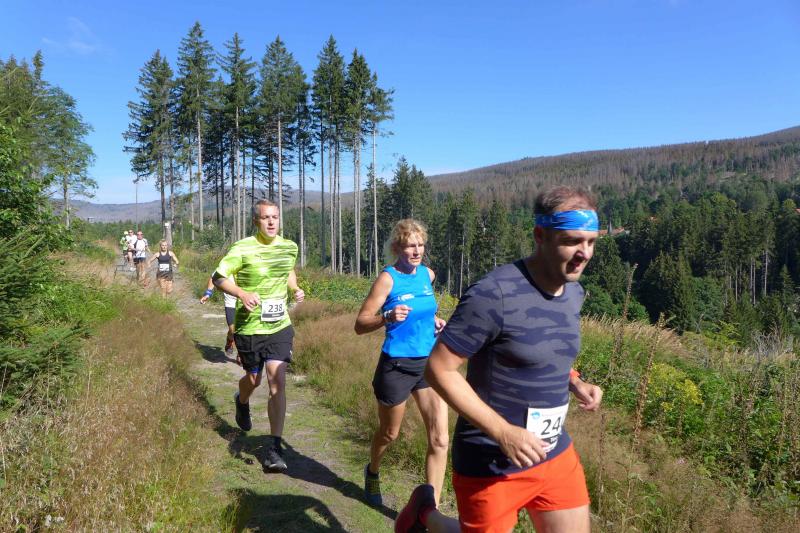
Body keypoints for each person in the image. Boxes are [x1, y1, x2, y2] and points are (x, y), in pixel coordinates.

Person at [395, 186, 604, 533]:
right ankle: (424, 515)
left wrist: (574, 381)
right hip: (491, 459)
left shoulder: (573, 292)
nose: (584, 253)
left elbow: (541, 347)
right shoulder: (494, 294)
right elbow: (438, 369)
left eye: (591, 242)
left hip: (552, 452)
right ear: (540, 236)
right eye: (572, 241)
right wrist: (503, 432)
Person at [354, 219, 449, 508]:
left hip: (429, 364)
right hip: (397, 365)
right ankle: (373, 471)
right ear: (397, 248)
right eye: (410, 246)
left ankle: (430, 510)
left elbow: (423, 310)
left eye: (420, 245)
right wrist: (387, 317)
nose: (417, 251)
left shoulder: (427, 275)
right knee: (389, 433)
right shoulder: (388, 279)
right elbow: (360, 324)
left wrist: (434, 320)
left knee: (440, 439)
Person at [212, 199, 305, 473]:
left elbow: (287, 270)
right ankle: (241, 401)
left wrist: (294, 289)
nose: (272, 222)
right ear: (257, 221)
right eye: (266, 218)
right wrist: (241, 293)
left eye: (275, 217)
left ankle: (274, 449)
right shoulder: (243, 248)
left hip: (279, 326)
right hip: (249, 327)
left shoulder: (289, 247)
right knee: (253, 380)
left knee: (278, 382)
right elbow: (218, 277)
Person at [200, 275, 238, 357]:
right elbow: (213, 277)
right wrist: (208, 293)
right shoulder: (228, 267)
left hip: (246, 303)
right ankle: (230, 340)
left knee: (245, 330)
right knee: (233, 330)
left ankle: (242, 353)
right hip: (231, 303)